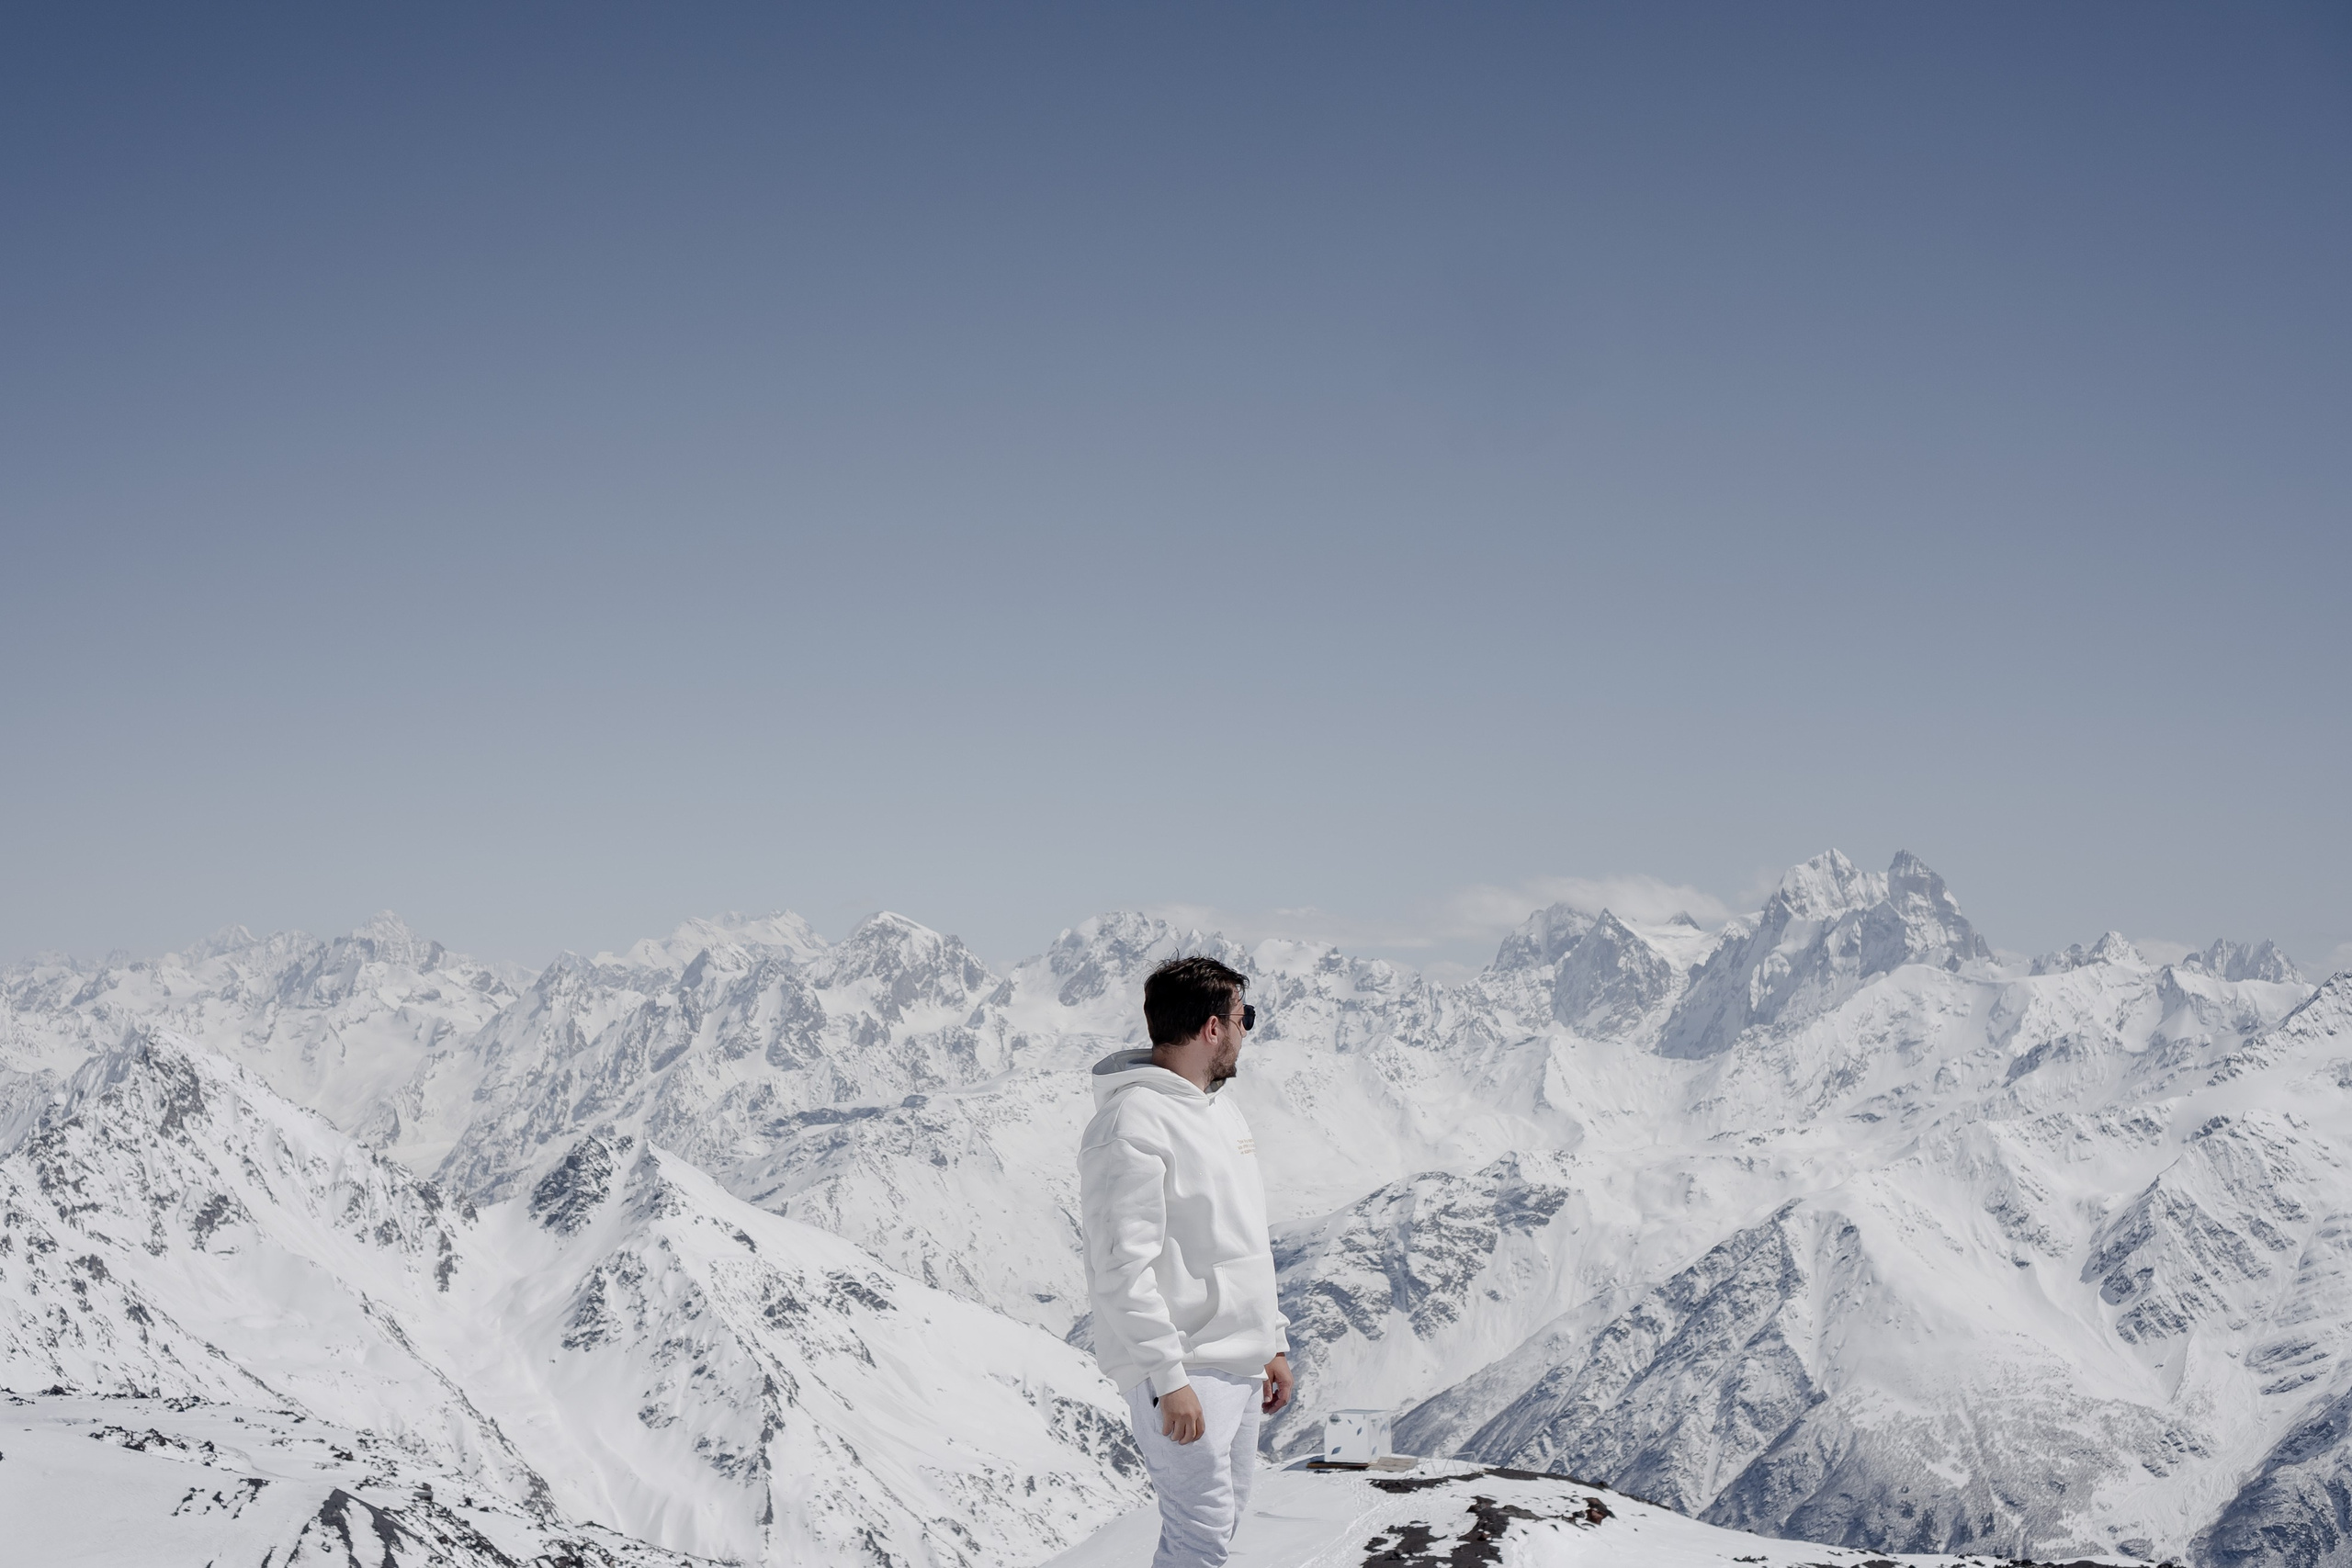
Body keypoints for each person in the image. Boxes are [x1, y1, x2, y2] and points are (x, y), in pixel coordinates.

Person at [1079, 954, 1295, 1568]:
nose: (1247, 1029)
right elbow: (1122, 1266)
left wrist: (1268, 1342)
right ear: (1211, 1028)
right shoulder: (1131, 1123)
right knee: (1198, 1539)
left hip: (1238, 1363)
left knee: (1219, 1526)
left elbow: (1241, 1238)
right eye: (1242, 1016)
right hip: (1186, 1368)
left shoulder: (1220, 1109)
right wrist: (1167, 1376)